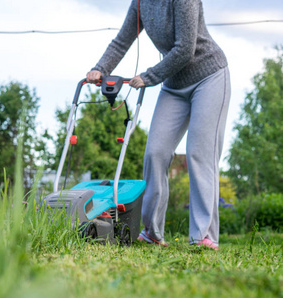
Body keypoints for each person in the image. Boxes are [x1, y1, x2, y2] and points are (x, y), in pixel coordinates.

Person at [86, 0, 230, 250]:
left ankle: (203, 236)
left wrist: (150, 76)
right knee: (155, 153)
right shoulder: (140, 2)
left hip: (209, 77)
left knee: (199, 154)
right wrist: (100, 68)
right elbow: (122, 41)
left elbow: (185, 48)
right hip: (173, 86)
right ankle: (152, 231)